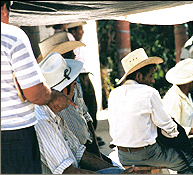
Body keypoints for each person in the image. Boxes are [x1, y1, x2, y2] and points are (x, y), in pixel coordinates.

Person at [1, 1, 76, 174]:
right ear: (4, 7)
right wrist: (53, 96)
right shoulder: (11, 35)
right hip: (12, 136)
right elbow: (35, 93)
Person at [35, 52, 137, 174]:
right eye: (73, 85)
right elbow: (68, 172)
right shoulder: (43, 121)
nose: (76, 88)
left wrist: (117, 171)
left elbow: (78, 152)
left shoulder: (55, 115)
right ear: (64, 90)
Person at [108, 48, 193, 174]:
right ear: (139, 76)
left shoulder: (114, 93)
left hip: (122, 154)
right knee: (190, 162)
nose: (153, 80)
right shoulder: (149, 92)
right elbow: (168, 126)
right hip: (147, 154)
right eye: (150, 76)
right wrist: (177, 137)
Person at [37, 31, 114, 163]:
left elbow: (85, 115)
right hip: (72, 154)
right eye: (71, 55)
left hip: (86, 147)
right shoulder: (50, 96)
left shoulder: (74, 84)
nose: (75, 57)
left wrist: (96, 149)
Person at [67, 22, 101, 145]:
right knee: (84, 106)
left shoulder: (73, 40)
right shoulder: (68, 37)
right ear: (73, 31)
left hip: (82, 73)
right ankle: (89, 136)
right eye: (80, 29)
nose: (82, 32)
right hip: (78, 75)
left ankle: (92, 135)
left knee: (88, 105)